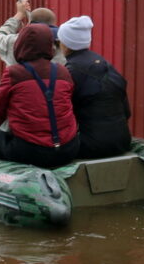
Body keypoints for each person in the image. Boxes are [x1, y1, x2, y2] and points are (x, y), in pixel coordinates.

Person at [0, 23, 80, 168]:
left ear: (20, 44)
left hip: (29, 152)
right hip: (68, 149)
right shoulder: (63, 72)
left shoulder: (14, 73)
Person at [56, 15, 132, 159]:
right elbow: (126, 112)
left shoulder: (69, 72)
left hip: (89, 147)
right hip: (122, 142)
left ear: (65, 44)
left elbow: (60, 117)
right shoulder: (108, 66)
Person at [0, 0, 66, 67]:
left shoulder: (16, 41)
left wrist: (19, 14)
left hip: (20, 81)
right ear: (53, 23)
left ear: (30, 23)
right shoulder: (64, 45)